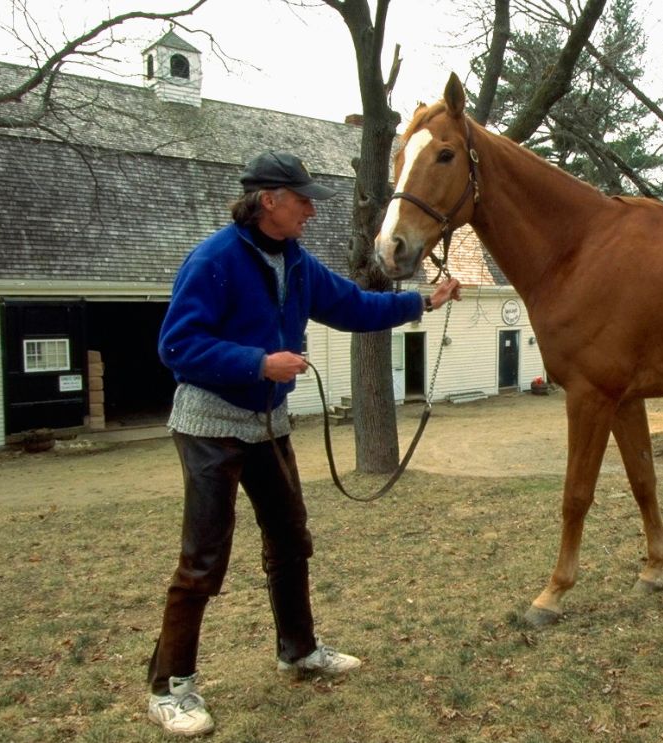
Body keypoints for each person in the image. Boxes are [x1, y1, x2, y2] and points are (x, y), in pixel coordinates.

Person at [147, 150, 461, 736]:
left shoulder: (296, 261)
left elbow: (353, 306)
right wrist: (258, 363)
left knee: (291, 540)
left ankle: (299, 649)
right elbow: (176, 346)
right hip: (209, 425)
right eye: (302, 200)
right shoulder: (214, 260)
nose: (312, 210)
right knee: (204, 559)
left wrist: (421, 300)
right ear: (269, 200)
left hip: (268, 426)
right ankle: (171, 687)